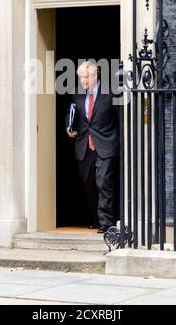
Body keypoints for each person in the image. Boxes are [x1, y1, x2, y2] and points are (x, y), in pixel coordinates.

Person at [66, 61, 119, 233]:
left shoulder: (111, 93)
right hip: (84, 146)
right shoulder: (77, 94)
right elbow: (71, 113)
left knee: (103, 182)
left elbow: (120, 119)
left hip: (105, 144)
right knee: (87, 182)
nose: (83, 81)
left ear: (96, 76)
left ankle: (106, 221)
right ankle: (95, 218)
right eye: (81, 77)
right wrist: (69, 127)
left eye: (86, 77)